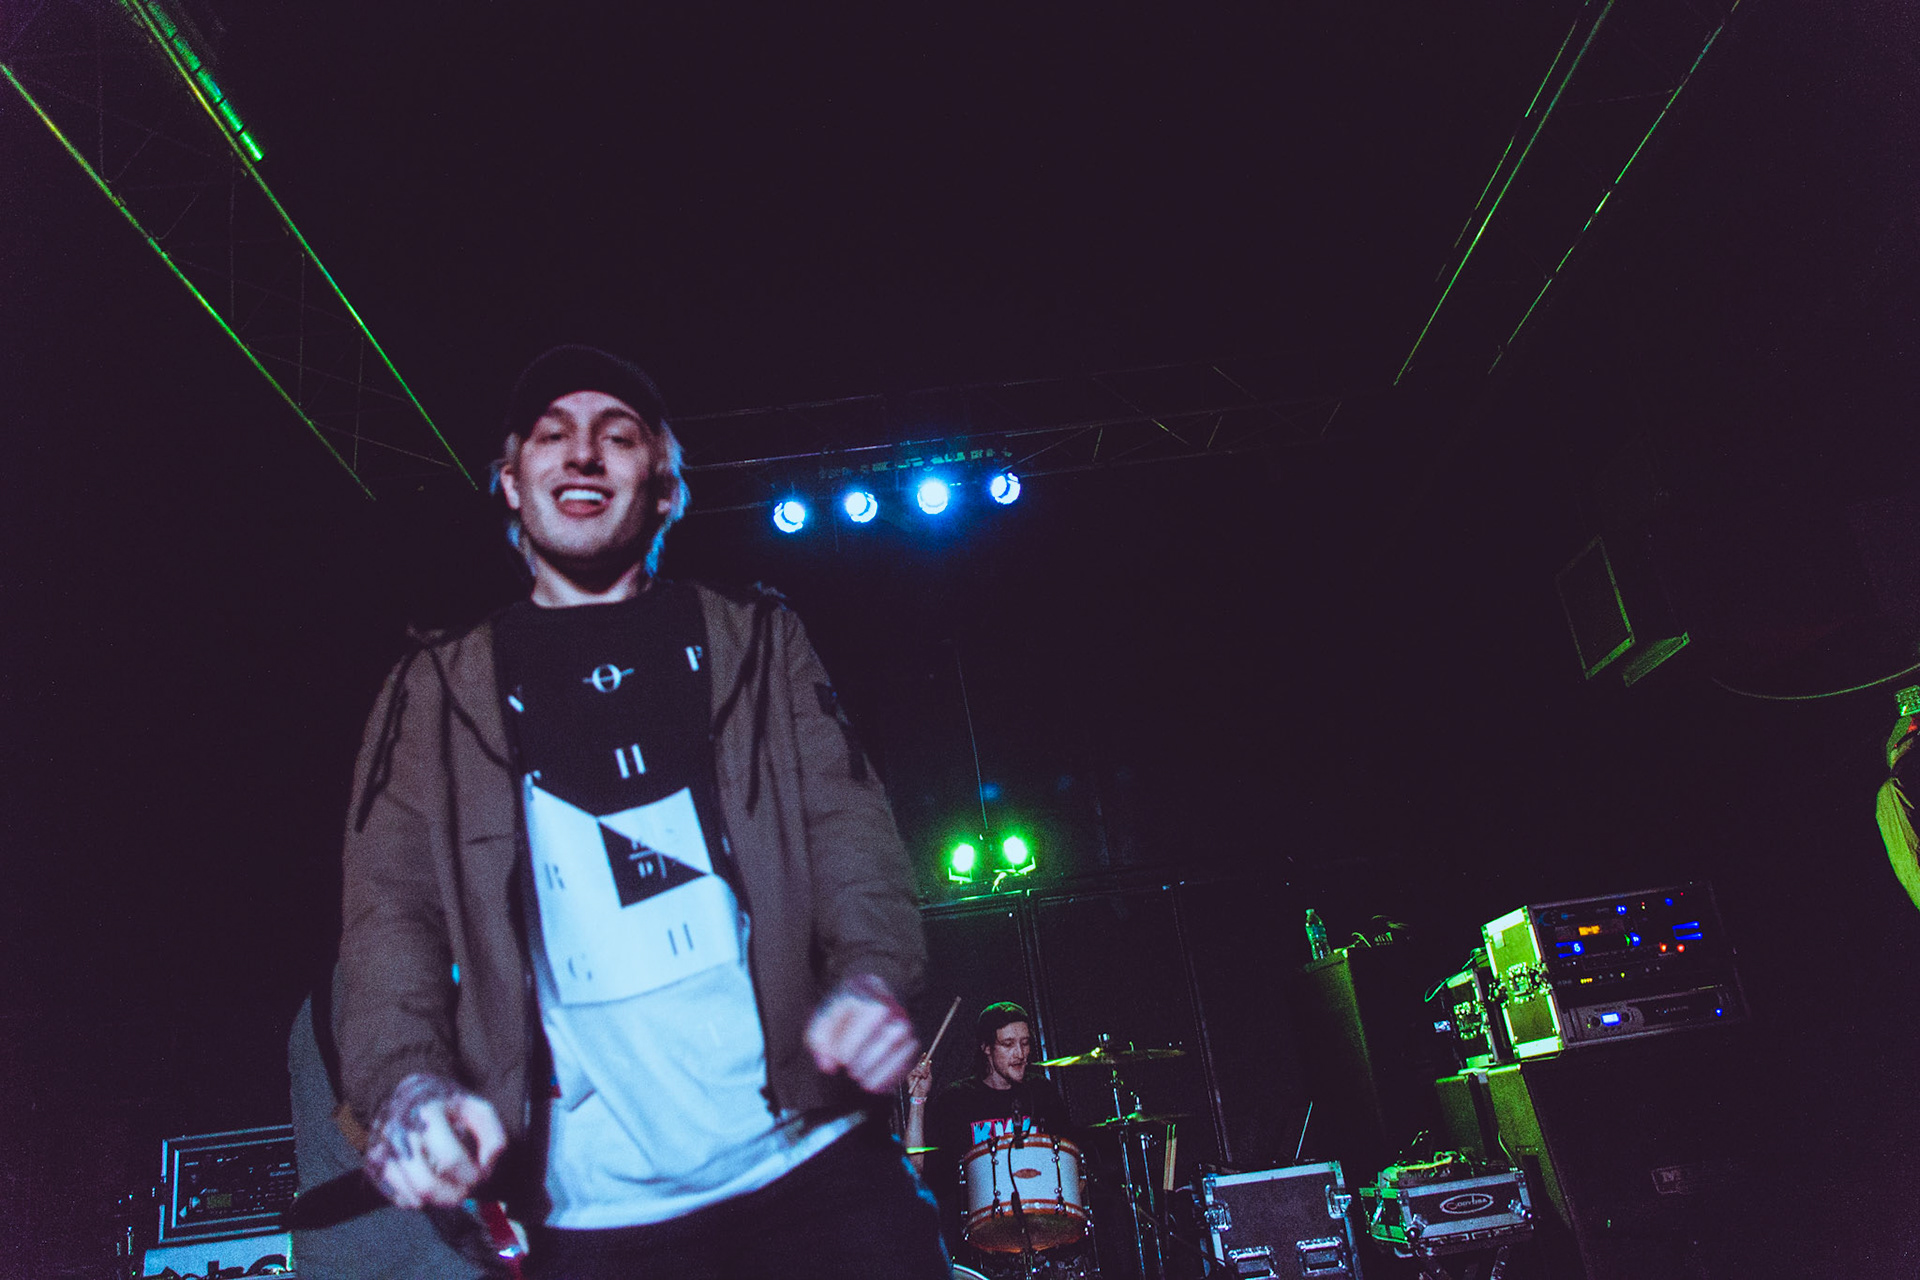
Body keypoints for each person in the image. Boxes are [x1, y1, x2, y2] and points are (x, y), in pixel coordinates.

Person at [331, 344, 948, 1279]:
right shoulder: (437, 692)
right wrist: (408, 1084)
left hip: (817, 1170)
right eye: (552, 435)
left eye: (617, 436)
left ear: (665, 487)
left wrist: (871, 975)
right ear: (511, 482)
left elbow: (847, 828)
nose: (583, 453)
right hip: (598, 1221)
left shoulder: (758, 640)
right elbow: (389, 915)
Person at [905, 1003, 1073, 1258]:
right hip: (980, 1244)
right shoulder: (957, 1101)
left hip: (1042, 1233)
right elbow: (915, 1167)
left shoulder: (1042, 1094)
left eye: (1025, 1043)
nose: (1020, 1054)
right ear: (986, 1048)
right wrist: (918, 1100)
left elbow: (1072, 1168)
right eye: (1008, 1044)